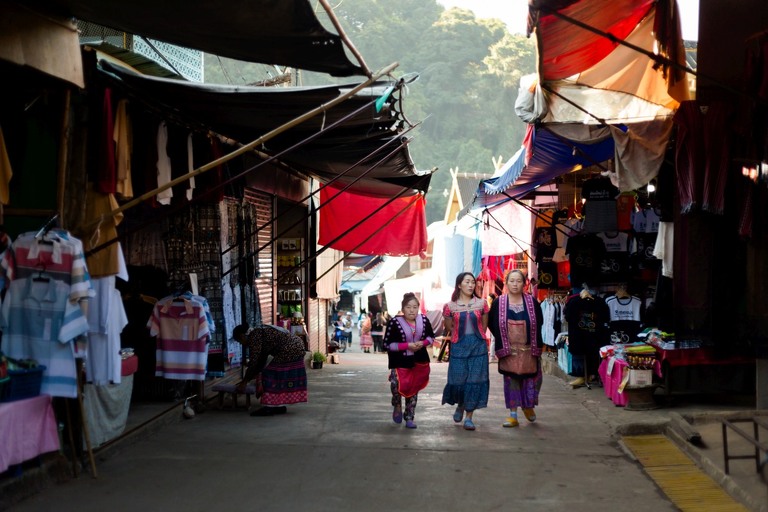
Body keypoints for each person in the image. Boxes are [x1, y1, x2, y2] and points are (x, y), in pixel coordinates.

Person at [488, 270, 544, 428]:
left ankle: (528, 406)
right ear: (506, 283)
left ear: (524, 283)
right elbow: (492, 324)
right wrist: (503, 341)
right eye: (511, 281)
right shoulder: (499, 302)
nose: (514, 284)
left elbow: (539, 322)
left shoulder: (532, 302)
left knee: (534, 380)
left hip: (529, 350)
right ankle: (513, 415)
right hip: (509, 351)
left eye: (518, 281)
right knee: (511, 382)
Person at [441, 272, 490, 431]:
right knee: (458, 381)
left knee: (474, 381)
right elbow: (449, 327)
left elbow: (483, 326)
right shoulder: (450, 306)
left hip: (478, 346)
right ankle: (460, 405)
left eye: (473, 282)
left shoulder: (482, 303)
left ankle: (469, 417)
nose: (471, 285)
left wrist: (477, 340)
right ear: (459, 284)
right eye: (467, 282)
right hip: (458, 346)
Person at [383, 293, 435, 429]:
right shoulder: (394, 322)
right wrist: (407, 346)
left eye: (415, 307)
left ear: (418, 308)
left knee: (413, 389)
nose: (412, 310)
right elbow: (387, 345)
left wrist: (422, 343)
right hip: (399, 361)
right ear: (402, 309)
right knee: (396, 385)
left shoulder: (423, 320)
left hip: (418, 361)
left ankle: (410, 417)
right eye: (408, 307)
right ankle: (397, 404)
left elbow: (431, 337)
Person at [232, 323, 308, 416]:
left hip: (289, 349)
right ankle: (278, 405)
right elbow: (260, 361)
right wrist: (252, 374)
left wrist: (244, 381)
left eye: (240, 341)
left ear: (242, 336)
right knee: (276, 376)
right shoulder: (258, 331)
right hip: (297, 346)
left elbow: (254, 362)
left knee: (268, 376)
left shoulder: (254, 337)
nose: (241, 344)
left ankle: (268, 407)